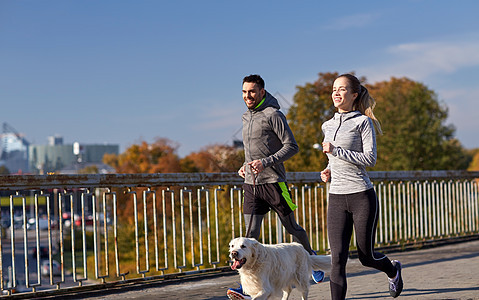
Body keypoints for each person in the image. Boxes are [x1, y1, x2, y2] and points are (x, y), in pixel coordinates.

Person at [227, 74, 325, 300]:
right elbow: (252, 151)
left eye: (251, 91)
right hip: (252, 184)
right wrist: (246, 165)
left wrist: (265, 162)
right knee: (249, 237)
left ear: (262, 92)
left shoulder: (274, 115)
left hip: (275, 183)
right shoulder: (245, 117)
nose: (247, 96)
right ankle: (246, 286)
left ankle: (312, 260)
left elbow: (292, 146)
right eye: (244, 92)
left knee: (292, 227)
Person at [320, 73, 403, 299]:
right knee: (337, 258)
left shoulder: (362, 122)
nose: (336, 93)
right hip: (336, 197)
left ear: (354, 95)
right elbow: (334, 160)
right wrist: (329, 169)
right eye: (334, 89)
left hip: (361, 196)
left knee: (366, 256)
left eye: (342, 89)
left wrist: (336, 151)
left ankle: (393, 270)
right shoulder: (327, 125)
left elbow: (370, 159)